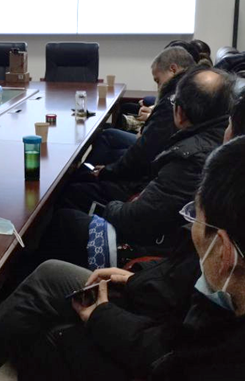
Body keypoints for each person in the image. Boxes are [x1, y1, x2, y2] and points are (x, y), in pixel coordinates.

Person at [0, 130, 245, 381]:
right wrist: (135, 281)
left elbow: (168, 352)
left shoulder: (231, 360)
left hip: (140, 344)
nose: (192, 231)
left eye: (195, 217)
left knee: (45, 336)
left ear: (224, 251)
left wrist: (102, 315)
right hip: (152, 317)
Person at [59, 67, 233, 264]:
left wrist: (110, 207)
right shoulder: (224, 138)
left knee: (64, 216)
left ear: (180, 112)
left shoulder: (188, 159)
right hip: (171, 236)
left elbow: (137, 218)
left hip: (149, 250)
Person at [74, 47, 196, 206]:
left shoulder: (172, 101)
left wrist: (107, 171)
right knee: (108, 136)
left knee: (75, 190)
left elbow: (143, 152)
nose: (158, 87)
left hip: (147, 177)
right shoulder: (192, 90)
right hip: (161, 163)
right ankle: (84, 174)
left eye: (158, 81)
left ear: (173, 69)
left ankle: (82, 177)